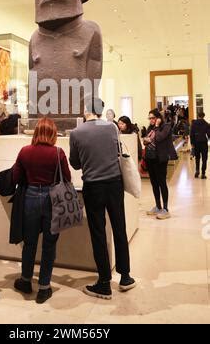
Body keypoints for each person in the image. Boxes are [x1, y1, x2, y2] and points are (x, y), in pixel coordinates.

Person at [69, 98, 136, 300]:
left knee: (98, 232)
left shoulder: (77, 133)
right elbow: (116, 152)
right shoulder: (112, 128)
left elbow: (75, 163)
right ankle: (125, 277)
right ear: (101, 111)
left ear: (85, 110)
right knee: (119, 227)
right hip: (115, 183)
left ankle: (104, 282)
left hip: (93, 185)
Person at [12, 118, 71, 304]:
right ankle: (44, 288)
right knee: (49, 244)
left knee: (29, 243)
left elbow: (15, 176)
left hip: (30, 196)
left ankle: (26, 280)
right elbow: (67, 178)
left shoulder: (25, 151)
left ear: (36, 132)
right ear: (53, 134)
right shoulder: (58, 153)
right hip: (52, 199)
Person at [143, 108, 177, 220]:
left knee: (162, 182)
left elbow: (159, 137)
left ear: (158, 118)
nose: (151, 120)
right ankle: (158, 206)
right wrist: (146, 140)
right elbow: (145, 140)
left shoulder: (166, 126)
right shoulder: (150, 128)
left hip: (160, 159)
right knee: (154, 183)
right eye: (150, 118)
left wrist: (157, 127)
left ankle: (166, 209)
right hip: (150, 158)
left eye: (153, 118)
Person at [190, 111, 210, 178]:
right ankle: (203, 173)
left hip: (196, 143)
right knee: (204, 158)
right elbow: (209, 134)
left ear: (198, 116)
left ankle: (197, 171)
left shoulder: (194, 123)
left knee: (197, 158)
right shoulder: (206, 124)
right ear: (203, 116)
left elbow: (191, 134)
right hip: (204, 143)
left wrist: (192, 143)